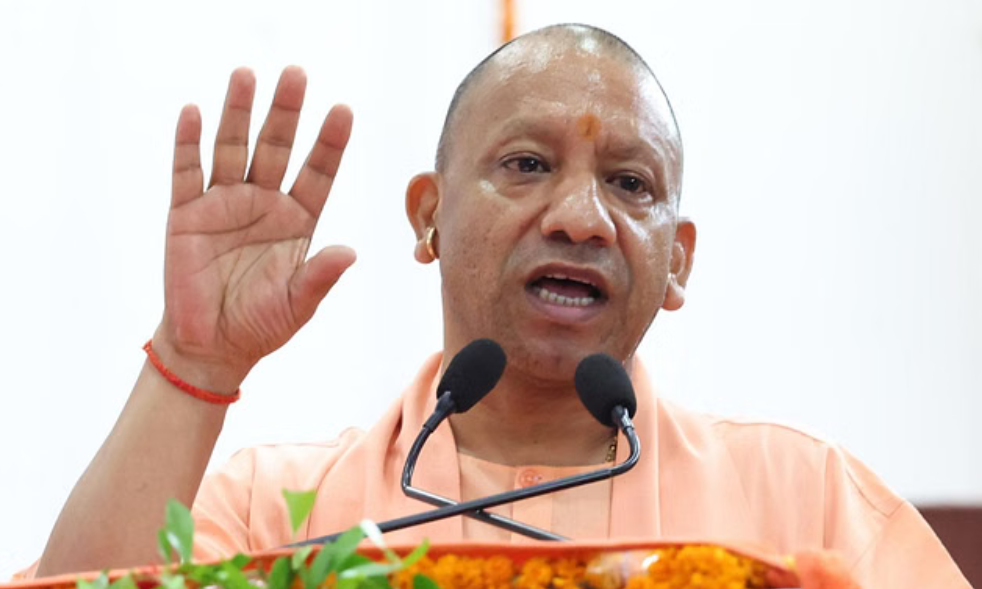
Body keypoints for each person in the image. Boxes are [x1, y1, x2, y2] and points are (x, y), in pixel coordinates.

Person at [26, 24, 967, 587]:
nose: (580, 217)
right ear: (428, 215)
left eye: (630, 183)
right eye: (526, 164)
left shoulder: (804, 503)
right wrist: (193, 362)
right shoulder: (278, 513)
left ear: (677, 262)